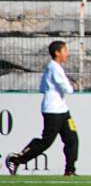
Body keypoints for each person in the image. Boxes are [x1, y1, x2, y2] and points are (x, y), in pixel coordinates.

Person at [5, 41, 79, 176]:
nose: (67, 54)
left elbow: (43, 87)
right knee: (46, 141)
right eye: (65, 51)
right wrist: (72, 86)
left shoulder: (54, 67)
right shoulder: (54, 68)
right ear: (57, 53)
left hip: (63, 111)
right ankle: (16, 159)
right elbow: (67, 89)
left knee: (72, 138)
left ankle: (70, 170)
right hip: (53, 111)